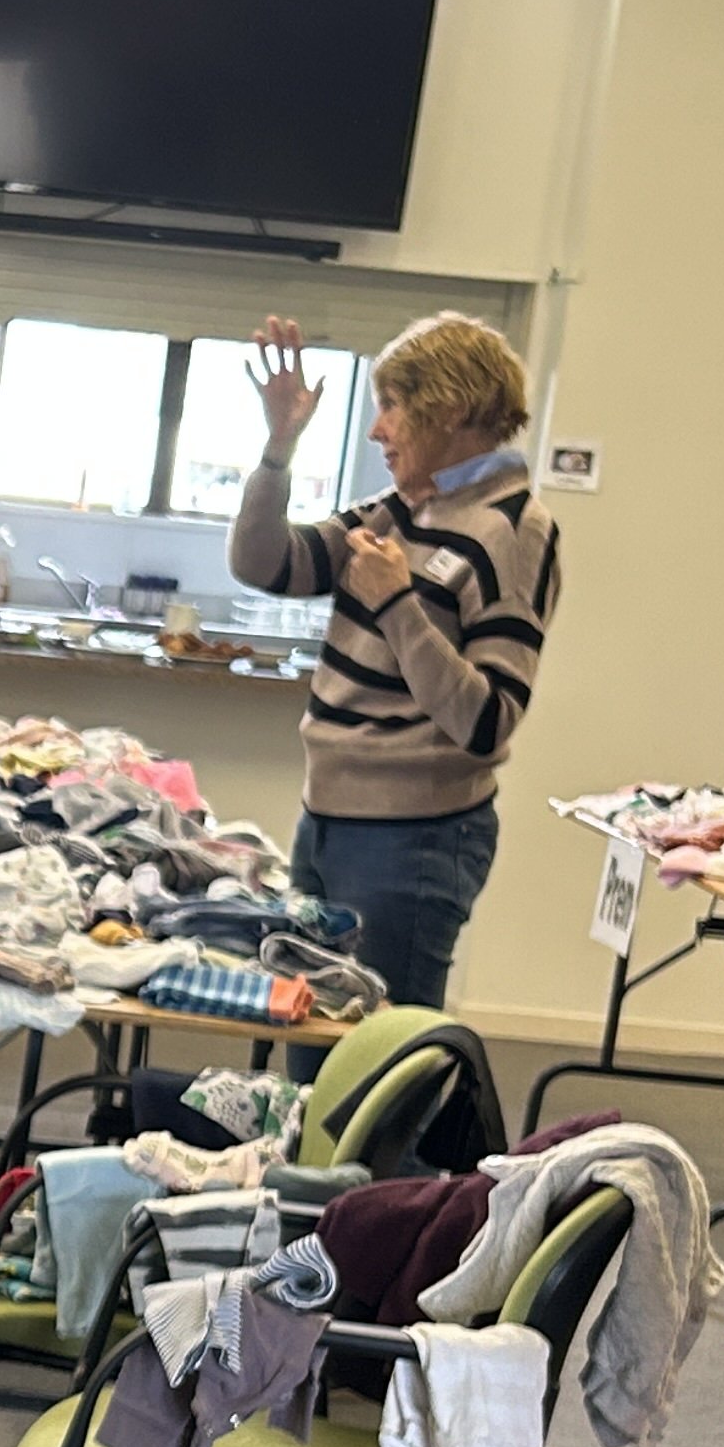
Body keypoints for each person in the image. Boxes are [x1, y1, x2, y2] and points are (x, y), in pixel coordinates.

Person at [227, 312, 560, 1015]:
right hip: (327, 820)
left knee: (376, 1070)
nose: (378, 430)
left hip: (412, 839)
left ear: (452, 408)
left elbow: (488, 720)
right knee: (314, 1046)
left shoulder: (515, 529)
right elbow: (263, 563)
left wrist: (397, 605)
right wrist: (278, 448)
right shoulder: (399, 509)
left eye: (393, 407)